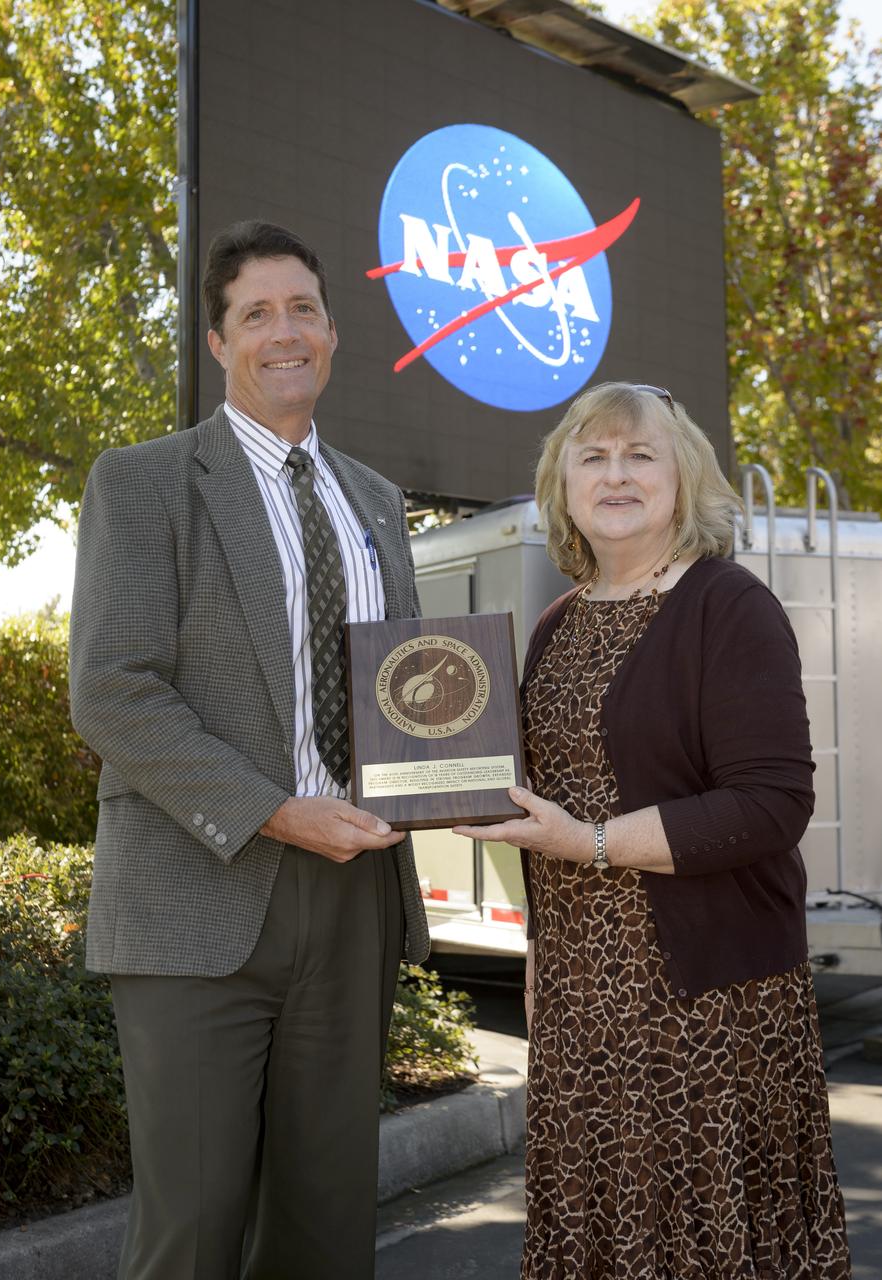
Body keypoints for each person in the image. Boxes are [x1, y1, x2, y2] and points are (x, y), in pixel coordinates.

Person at [69, 220, 429, 1280]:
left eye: (303, 309)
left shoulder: (374, 500)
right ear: (218, 345)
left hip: (356, 891)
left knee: (326, 1225)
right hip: (199, 889)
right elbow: (112, 690)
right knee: (192, 1229)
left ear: (332, 332)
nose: (285, 332)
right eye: (255, 314)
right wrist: (277, 809)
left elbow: (406, 688)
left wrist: (442, 774)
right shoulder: (142, 483)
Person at [455, 382, 851, 1279]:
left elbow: (771, 803)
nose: (616, 474)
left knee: (701, 1243)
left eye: (641, 455)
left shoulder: (728, 606)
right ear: (562, 485)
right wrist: (539, 956)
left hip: (706, 1007)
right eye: (591, 457)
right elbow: (541, 810)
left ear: (686, 479)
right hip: (581, 1007)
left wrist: (591, 843)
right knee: (603, 1233)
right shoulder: (556, 625)